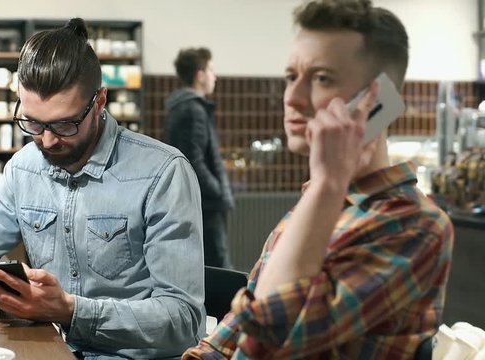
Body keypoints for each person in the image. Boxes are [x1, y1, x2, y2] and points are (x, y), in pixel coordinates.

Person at [184, 0, 454, 358]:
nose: (291, 98)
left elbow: (264, 348)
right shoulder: (310, 208)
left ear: (379, 102)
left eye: (321, 78)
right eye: (291, 77)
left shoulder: (415, 226)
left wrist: (327, 185)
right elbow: (224, 341)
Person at [0, 18, 206, 359]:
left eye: (65, 124)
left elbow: (183, 319)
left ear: (99, 102)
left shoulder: (163, 173)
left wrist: (70, 310)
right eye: (33, 122)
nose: (47, 140)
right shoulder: (24, 169)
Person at [165, 47, 235, 269]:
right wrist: (218, 190)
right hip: (205, 204)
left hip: (196, 201)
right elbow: (193, 160)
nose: (215, 77)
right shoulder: (193, 109)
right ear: (200, 74)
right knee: (218, 266)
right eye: (211, 70)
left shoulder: (183, 107)